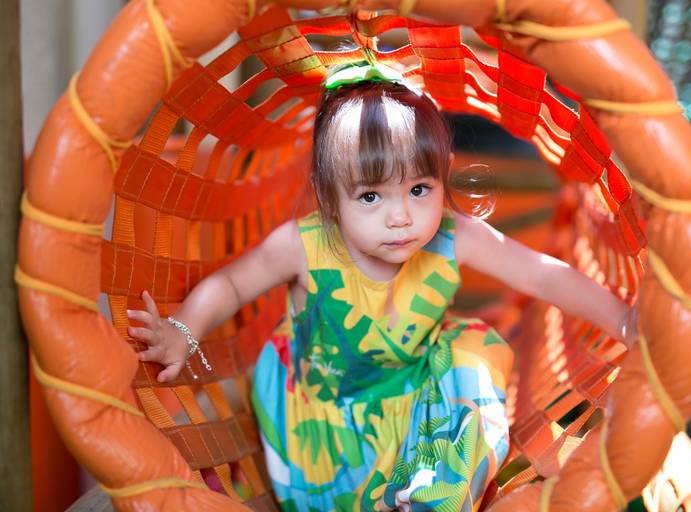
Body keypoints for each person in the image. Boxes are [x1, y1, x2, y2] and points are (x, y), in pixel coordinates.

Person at [126, 62, 638, 511]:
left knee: (476, 347)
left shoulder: (454, 236)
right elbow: (232, 285)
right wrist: (183, 330)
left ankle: (432, 497)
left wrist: (622, 321)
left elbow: (542, 273)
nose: (401, 217)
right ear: (329, 198)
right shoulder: (304, 246)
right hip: (326, 430)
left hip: (417, 405)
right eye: (371, 197)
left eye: (419, 189)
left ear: (443, 178)